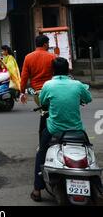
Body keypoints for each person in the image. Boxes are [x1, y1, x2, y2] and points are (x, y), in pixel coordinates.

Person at [31, 57, 92, 202]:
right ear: (68, 69)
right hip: (77, 131)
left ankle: (37, 190)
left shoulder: (48, 85)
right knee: (89, 151)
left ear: (53, 70)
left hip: (54, 130)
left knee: (41, 153)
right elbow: (88, 98)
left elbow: (43, 101)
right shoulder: (77, 85)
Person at [20, 35, 56, 139]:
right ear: (45, 44)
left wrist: (22, 92)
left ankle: (44, 139)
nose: (48, 46)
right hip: (51, 91)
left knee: (44, 114)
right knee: (52, 115)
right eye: (48, 44)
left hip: (37, 93)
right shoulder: (52, 57)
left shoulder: (28, 57)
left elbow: (24, 77)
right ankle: (48, 138)